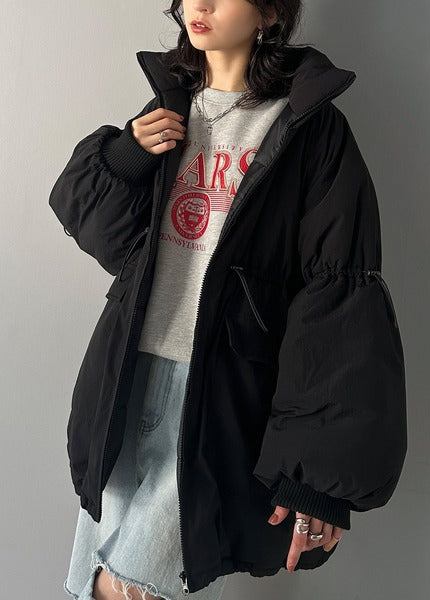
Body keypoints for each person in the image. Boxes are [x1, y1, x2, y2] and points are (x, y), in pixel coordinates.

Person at [49, 1, 408, 599]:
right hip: (126, 372)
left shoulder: (309, 126)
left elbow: (338, 296)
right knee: (94, 583)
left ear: (269, 12)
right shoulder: (168, 107)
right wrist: (127, 156)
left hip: (221, 390)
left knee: (128, 586)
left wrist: (319, 478)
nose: (201, 4)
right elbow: (115, 244)